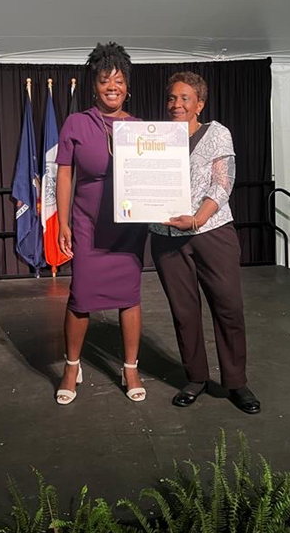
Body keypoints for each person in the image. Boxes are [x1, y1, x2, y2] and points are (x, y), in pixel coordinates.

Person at [150, 72, 260, 414]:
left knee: (228, 308)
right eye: (172, 98)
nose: (176, 104)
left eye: (185, 98)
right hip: (166, 238)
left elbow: (223, 184)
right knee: (184, 313)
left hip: (211, 232)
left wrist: (198, 217)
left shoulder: (216, 133)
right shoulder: (154, 138)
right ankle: (196, 377)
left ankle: (236, 382)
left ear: (200, 103)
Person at [55, 42, 147, 405]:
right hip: (88, 224)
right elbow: (65, 176)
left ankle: (130, 367)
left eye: (120, 80)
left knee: (130, 296)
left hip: (128, 227)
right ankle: (71, 366)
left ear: (127, 87)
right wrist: (63, 223)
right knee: (81, 297)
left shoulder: (142, 128)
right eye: (106, 80)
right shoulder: (76, 123)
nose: (113, 86)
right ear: (94, 85)